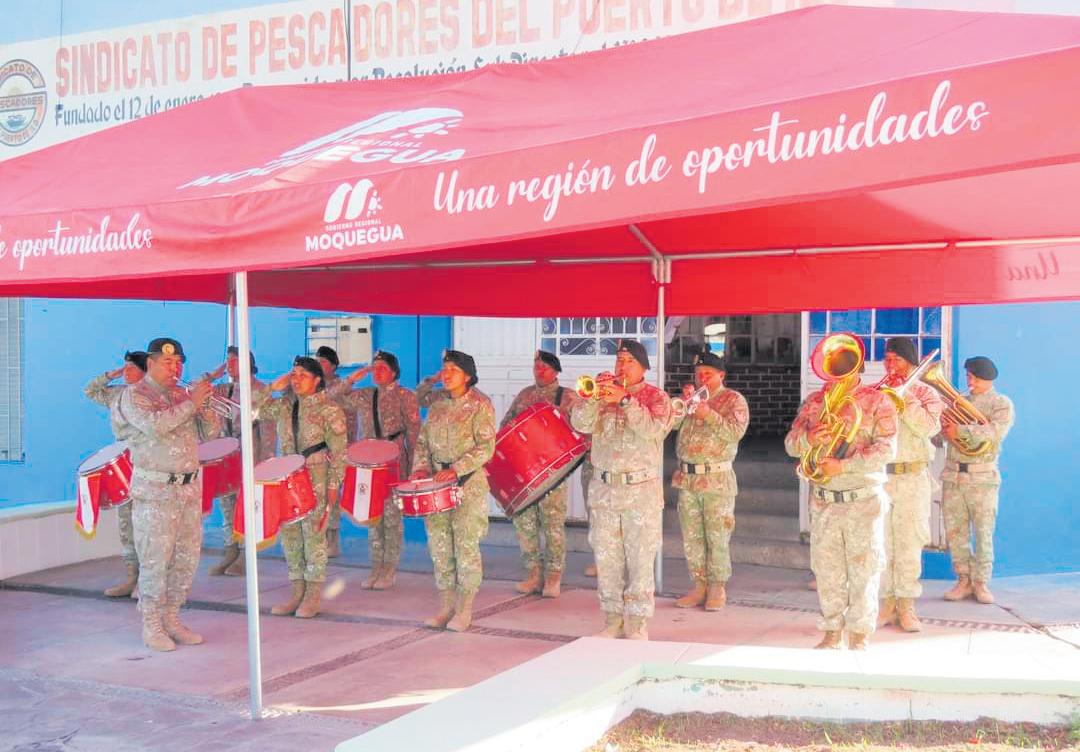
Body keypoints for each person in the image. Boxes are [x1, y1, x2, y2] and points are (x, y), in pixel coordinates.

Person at [784, 335, 897, 650]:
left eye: (843, 363)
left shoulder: (878, 402)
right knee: (827, 570)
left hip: (863, 500)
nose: (837, 370)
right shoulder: (814, 402)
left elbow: (886, 450)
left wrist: (843, 466)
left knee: (864, 571)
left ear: (858, 364)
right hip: (825, 502)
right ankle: (831, 632)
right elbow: (791, 444)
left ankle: (859, 636)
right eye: (832, 363)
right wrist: (809, 439)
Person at [113, 338, 220, 651]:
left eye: (179, 363)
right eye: (167, 362)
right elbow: (155, 426)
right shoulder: (134, 395)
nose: (175, 368)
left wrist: (205, 405)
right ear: (151, 363)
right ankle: (152, 625)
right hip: (156, 492)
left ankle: (172, 618)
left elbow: (209, 433)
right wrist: (191, 403)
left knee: (186, 559)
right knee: (155, 560)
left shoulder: (181, 394)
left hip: (187, 490)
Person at [570, 339, 672, 641]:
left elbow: (654, 430)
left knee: (640, 561)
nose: (622, 366)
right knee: (607, 560)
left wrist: (626, 400)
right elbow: (580, 424)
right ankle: (612, 620)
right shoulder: (602, 395)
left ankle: (638, 623)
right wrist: (593, 398)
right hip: (605, 490)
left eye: (629, 362)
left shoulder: (656, 397)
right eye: (619, 360)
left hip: (640, 492)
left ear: (643, 368)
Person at [410, 350, 496, 632]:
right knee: (440, 547)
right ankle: (446, 607)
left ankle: (464, 610)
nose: (446, 375)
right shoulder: (437, 404)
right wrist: (420, 469)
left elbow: (486, 447)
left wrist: (457, 469)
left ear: (467, 376)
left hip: (467, 485)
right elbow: (422, 442)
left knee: (466, 548)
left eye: (453, 370)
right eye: (444, 369)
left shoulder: (481, 405)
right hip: (436, 486)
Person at [258, 356, 348, 618]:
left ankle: (312, 596)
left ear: (317, 380)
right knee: (291, 536)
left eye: (303, 375)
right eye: (294, 374)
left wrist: (334, 485)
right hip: (287, 479)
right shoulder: (284, 406)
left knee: (313, 537)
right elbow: (252, 408)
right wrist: (272, 387)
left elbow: (339, 452)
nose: (296, 380)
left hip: (315, 478)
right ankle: (296, 592)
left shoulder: (329, 409)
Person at [327, 350, 420, 590]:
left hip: (393, 463)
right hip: (368, 465)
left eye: (382, 368)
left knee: (391, 519)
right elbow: (330, 398)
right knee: (373, 517)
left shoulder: (405, 396)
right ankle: (376, 567)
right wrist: (351, 379)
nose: (377, 372)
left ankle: (389, 569)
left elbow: (414, 433)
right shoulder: (365, 394)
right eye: (374, 368)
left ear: (394, 372)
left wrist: (414, 469)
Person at [671, 348, 749, 612]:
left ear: (721, 375)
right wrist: (683, 406)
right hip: (688, 479)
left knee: (717, 536)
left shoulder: (733, 399)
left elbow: (735, 432)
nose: (702, 377)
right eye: (699, 373)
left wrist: (708, 414)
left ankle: (717, 587)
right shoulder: (692, 399)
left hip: (716, 480)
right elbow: (669, 425)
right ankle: (698, 585)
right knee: (692, 537)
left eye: (708, 373)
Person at [877, 338, 943, 633]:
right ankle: (886, 604)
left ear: (911, 362)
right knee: (882, 544)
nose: (890, 365)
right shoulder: (876, 392)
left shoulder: (926, 393)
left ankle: (906, 606)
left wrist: (904, 399)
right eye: (887, 359)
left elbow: (929, 427)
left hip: (913, 478)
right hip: (881, 477)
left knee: (909, 544)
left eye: (897, 359)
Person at [501, 350, 577, 598]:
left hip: (552, 474)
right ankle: (533, 575)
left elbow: (581, 429)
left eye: (545, 367)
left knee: (552, 526)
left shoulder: (566, 396)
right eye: (536, 367)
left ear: (556, 371)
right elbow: (506, 426)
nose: (539, 371)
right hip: (524, 471)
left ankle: (553, 576)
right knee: (525, 525)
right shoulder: (525, 395)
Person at [940, 356, 1014, 605]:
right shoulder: (959, 402)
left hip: (982, 479)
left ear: (986, 378)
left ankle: (981, 582)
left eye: (973, 377)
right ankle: (963, 580)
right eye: (968, 376)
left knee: (983, 532)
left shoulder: (1000, 403)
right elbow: (940, 438)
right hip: (954, 477)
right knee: (956, 533)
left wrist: (960, 430)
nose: (969, 381)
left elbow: (995, 432)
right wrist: (943, 427)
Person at [203, 346, 277, 577]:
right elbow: (195, 391)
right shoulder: (223, 389)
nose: (229, 365)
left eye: (234, 360)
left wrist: (265, 462)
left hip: (249, 452)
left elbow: (268, 429)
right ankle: (230, 551)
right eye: (228, 361)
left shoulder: (261, 390)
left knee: (246, 505)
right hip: (225, 455)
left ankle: (246, 554)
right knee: (227, 504)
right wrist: (212, 375)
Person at [84, 350, 148, 597]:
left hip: (146, 458)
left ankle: (148, 581)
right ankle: (132, 576)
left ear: (145, 371)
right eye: (124, 368)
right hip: (123, 461)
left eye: (131, 368)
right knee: (126, 520)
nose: (126, 372)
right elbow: (90, 391)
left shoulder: (152, 395)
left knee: (145, 522)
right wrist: (110, 375)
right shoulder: (117, 393)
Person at [316, 345, 351, 557]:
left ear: (334, 365)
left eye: (323, 362)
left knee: (332, 494)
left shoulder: (341, 387)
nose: (319, 365)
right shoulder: (314, 386)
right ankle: (319, 537)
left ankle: (332, 539)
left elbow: (349, 420)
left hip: (334, 449)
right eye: (317, 361)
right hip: (316, 449)